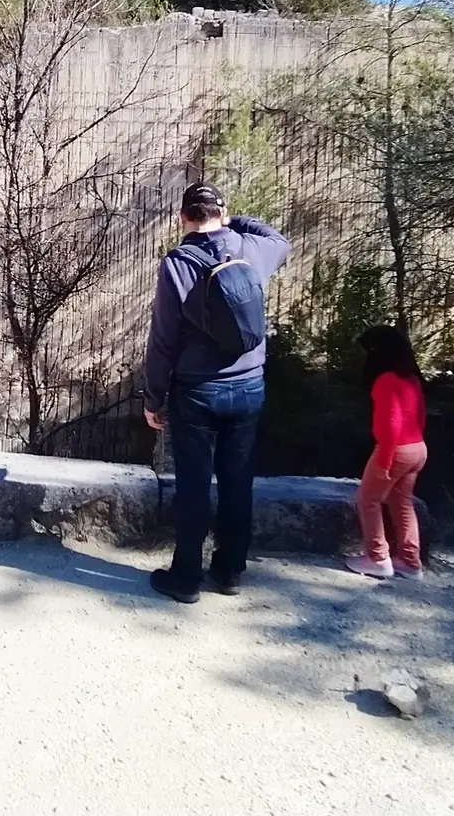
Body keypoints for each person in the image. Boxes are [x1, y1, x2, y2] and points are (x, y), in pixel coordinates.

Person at [142, 182, 291, 604]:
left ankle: (186, 577)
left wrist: (153, 398)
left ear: (183, 218)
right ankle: (229, 572)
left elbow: (163, 341)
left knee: (193, 484)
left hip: (196, 392)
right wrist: (235, 220)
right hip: (248, 387)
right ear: (221, 213)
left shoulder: (177, 263)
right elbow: (280, 240)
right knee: (237, 481)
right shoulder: (251, 248)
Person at [346, 324, 428, 580]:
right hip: (418, 447)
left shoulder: (385, 380)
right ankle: (410, 561)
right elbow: (421, 416)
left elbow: (391, 424)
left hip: (396, 448)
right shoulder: (411, 378)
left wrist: (385, 458)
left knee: (367, 499)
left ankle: (377, 557)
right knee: (401, 502)